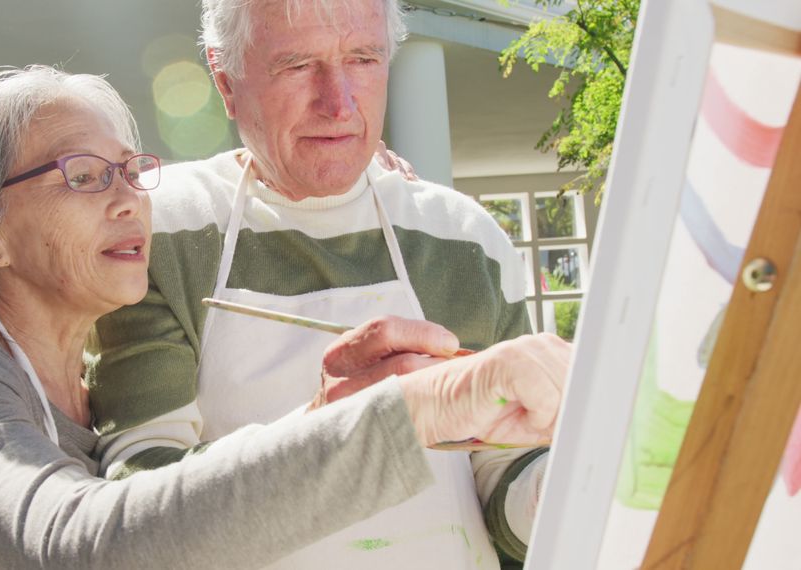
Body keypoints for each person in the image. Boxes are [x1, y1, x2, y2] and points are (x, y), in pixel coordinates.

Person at [0, 66, 569, 569]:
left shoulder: (79, 361)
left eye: (132, 170)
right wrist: (408, 412)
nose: (128, 200)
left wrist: (344, 174)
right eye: (84, 176)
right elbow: (87, 547)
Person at [87, 0, 567, 567]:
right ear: (226, 82)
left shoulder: (465, 238)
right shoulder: (159, 231)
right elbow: (140, 513)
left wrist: (572, 484)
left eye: (363, 59)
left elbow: (503, 483)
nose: (338, 103)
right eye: (296, 66)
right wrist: (353, 429)